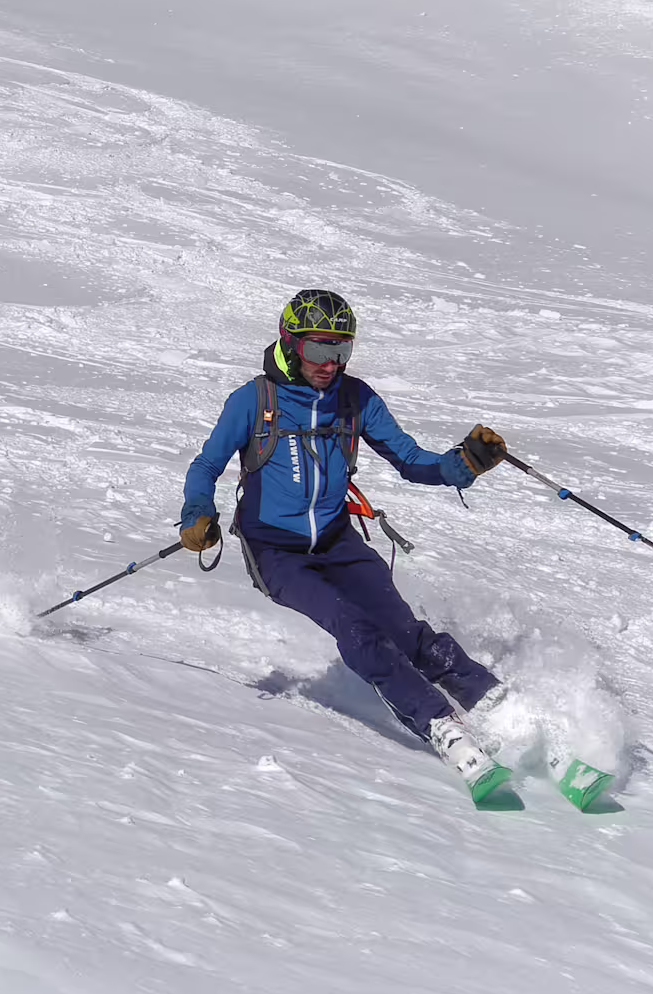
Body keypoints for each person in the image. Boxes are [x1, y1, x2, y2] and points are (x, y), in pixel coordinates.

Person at [178, 288, 513, 787]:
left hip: (337, 542)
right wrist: (197, 513)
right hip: (275, 551)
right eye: (318, 348)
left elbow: (410, 459)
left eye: (341, 350)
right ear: (290, 343)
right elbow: (206, 465)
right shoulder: (254, 401)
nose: (329, 363)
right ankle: (440, 725)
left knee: (407, 632)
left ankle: (497, 707)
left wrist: (461, 464)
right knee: (356, 628)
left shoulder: (355, 400)